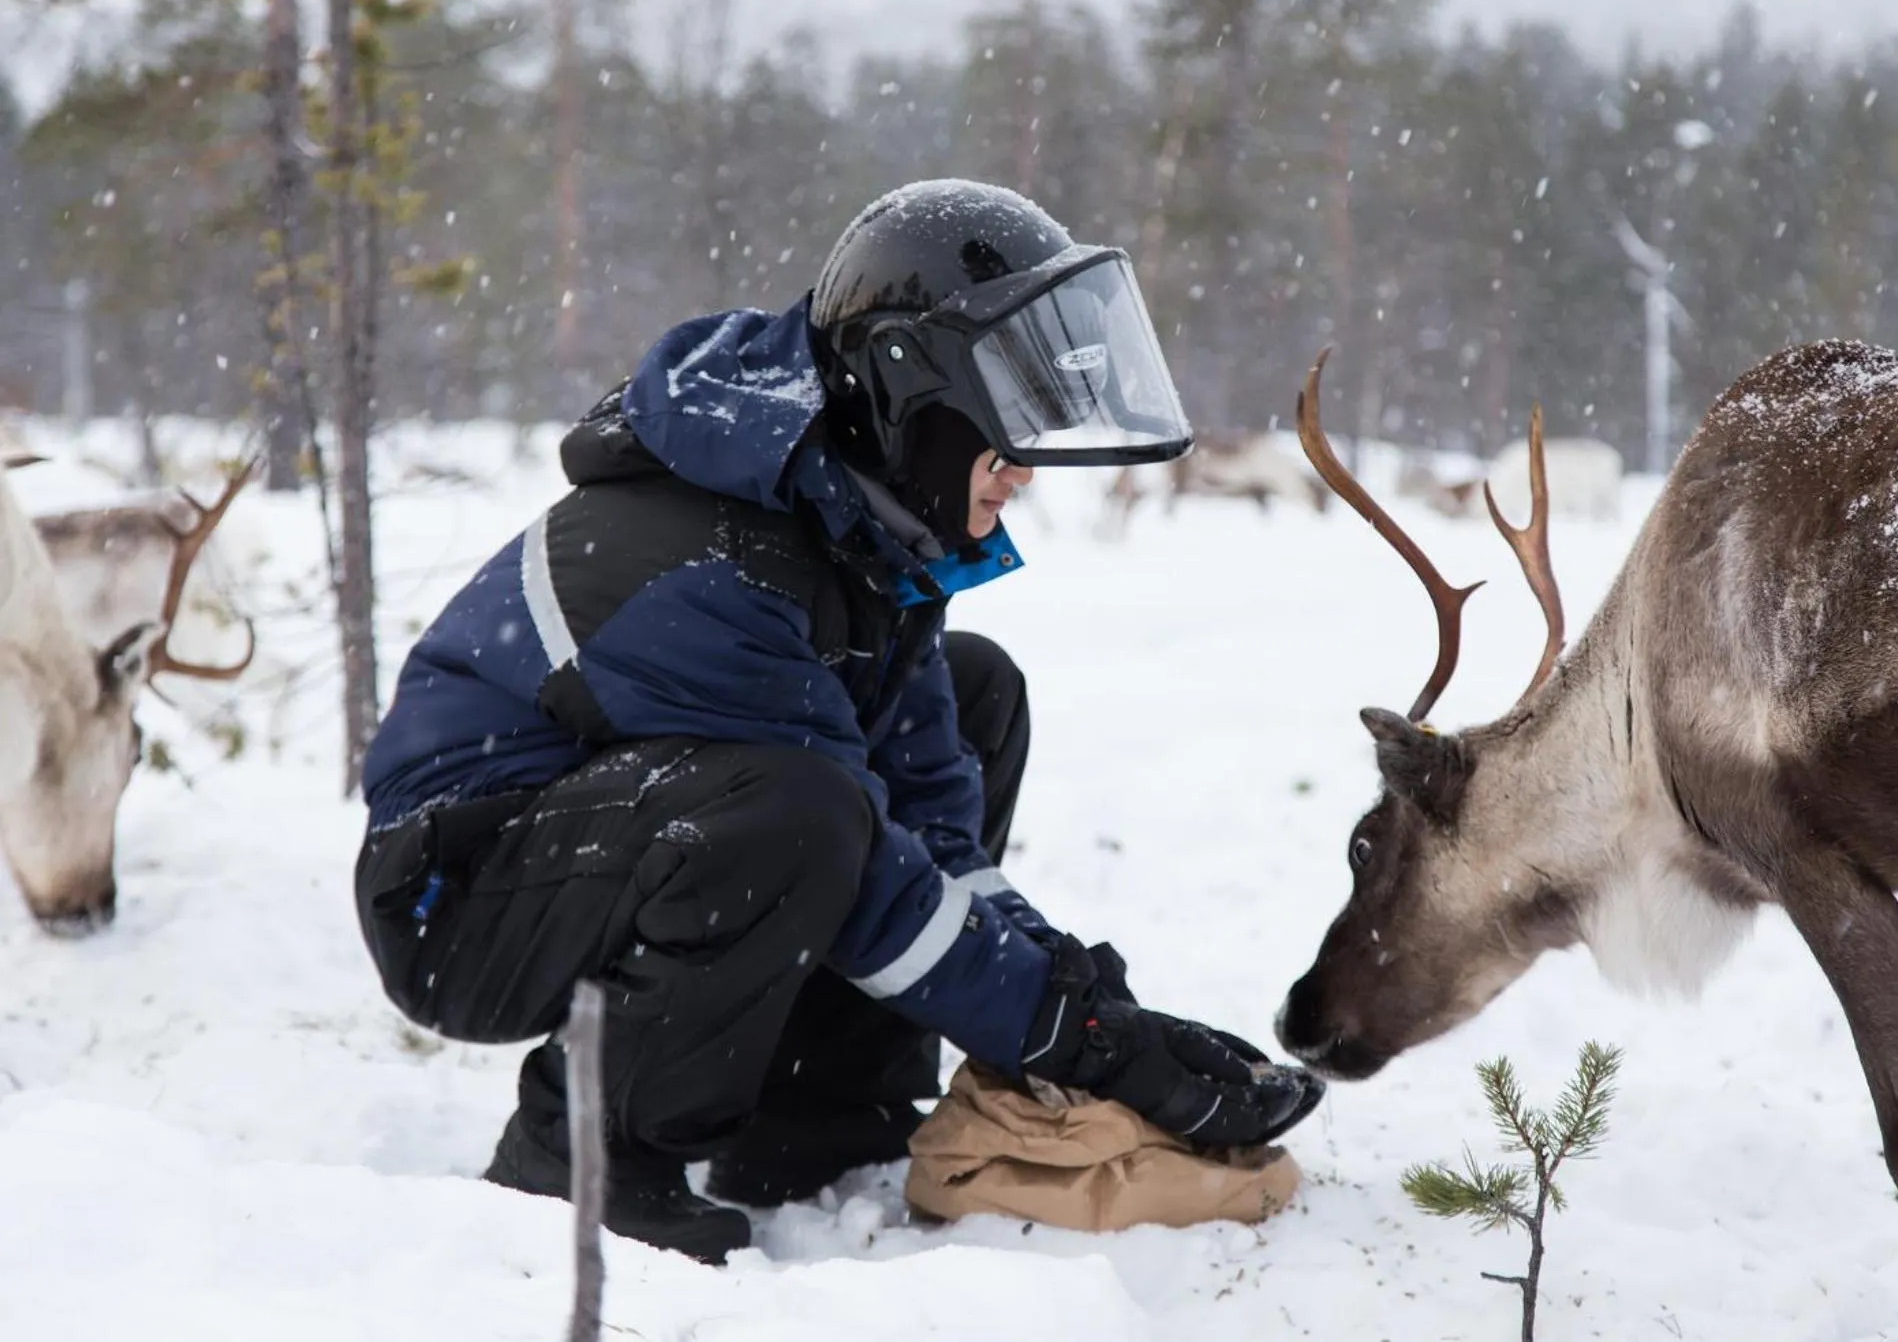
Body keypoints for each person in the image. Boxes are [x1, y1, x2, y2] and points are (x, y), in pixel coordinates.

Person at [351, 178, 1323, 1264]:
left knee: (972, 692)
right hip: (458, 892)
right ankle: (583, 1157)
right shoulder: (704, 561)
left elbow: (930, 834)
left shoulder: (852, 526)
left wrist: (1089, 1009)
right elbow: (865, 879)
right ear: (908, 390)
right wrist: (1079, 1042)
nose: (1025, 466)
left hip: (620, 833)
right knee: (790, 809)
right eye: (1003, 427)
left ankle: (818, 1114)